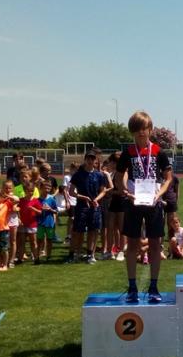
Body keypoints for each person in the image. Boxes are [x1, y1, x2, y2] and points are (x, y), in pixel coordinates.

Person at [116, 110, 173, 304]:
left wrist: (159, 193)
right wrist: (125, 192)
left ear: (150, 129)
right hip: (133, 202)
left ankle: (154, 286)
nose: (141, 132)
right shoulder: (128, 153)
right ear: (132, 131)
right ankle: (132, 287)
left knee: (155, 244)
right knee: (132, 244)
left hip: (153, 202)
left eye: (145, 128)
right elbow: (118, 176)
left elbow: (168, 178)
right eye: (137, 129)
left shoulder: (158, 151)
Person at [68, 151, 108, 264]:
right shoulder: (78, 174)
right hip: (81, 206)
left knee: (93, 231)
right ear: (85, 160)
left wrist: (96, 199)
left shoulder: (99, 175)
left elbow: (103, 191)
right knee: (77, 231)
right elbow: (71, 191)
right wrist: (83, 197)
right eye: (88, 158)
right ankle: (72, 254)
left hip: (94, 207)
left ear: (95, 160)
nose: (90, 161)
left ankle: (90, 254)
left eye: (92, 158)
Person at [104, 151, 126, 261]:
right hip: (113, 202)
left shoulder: (123, 173)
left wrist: (109, 192)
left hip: (121, 202)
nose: (110, 164)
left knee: (122, 229)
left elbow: (124, 191)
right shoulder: (113, 173)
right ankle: (109, 251)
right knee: (110, 227)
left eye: (112, 162)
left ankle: (121, 251)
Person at [16, 180, 40, 264]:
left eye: (32, 191)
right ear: (25, 190)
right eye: (29, 191)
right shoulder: (21, 200)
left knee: (33, 241)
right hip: (23, 224)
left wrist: (33, 208)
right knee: (22, 242)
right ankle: (20, 258)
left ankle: (36, 258)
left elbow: (40, 212)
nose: (31, 193)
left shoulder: (35, 200)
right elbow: (17, 210)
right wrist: (18, 218)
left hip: (32, 224)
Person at [36, 180, 59, 264]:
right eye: (45, 187)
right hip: (40, 223)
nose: (47, 189)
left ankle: (48, 256)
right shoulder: (37, 200)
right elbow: (34, 212)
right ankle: (37, 257)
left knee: (49, 240)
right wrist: (40, 209)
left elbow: (56, 211)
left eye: (49, 187)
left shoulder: (52, 199)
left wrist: (50, 209)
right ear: (41, 188)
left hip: (49, 223)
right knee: (39, 240)